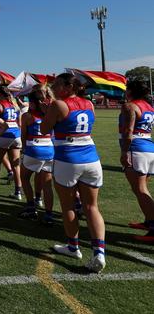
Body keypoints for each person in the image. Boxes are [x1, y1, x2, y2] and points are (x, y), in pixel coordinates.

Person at [41, 73, 106, 273]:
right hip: (91, 158)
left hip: (68, 159)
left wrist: (47, 111)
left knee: (68, 206)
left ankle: (73, 247)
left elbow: (44, 129)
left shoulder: (59, 104)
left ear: (67, 86)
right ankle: (99, 252)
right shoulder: (89, 103)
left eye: (57, 84)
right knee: (92, 207)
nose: (55, 87)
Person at [119, 80, 154, 242]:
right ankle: (148, 222)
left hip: (136, 148)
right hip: (148, 147)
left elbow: (128, 131)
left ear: (131, 91)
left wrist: (124, 151)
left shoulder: (130, 106)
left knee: (140, 189)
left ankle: (153, 227)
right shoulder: (149, 106)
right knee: (141, 188)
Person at [19, 85, 55, 225]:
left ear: (33, 102)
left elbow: (24, 136)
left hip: (33, 149)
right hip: (49, 149)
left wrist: (23, 150)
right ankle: (49, 215)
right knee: (47, 184)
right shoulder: (49, 114)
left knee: (25, 177)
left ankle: (31, 207)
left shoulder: (27, 116)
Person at [0, 87, 23, 199]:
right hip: (16, 135)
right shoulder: (15, 105)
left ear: (0, 94)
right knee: (16, 165)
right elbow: (19, 124)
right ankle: (18, 191)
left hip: (4, 135)